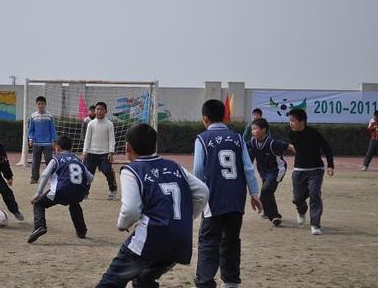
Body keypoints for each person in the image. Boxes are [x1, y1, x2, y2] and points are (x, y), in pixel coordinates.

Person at [96, 123, 209, 288]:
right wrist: (184, 219)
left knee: (110, 282)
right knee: (144, 279)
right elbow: (202, 191)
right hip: (180, 241)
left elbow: (130, 209)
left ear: (127, 147)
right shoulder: (175, 166)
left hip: (151, 239)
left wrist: (122, 224)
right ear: (155, 146)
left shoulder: (132, 170)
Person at [193, 99, 262, 288]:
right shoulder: (237, 138)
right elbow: (248, 168)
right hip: (236, 200)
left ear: (205, 118)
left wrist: (196, 197)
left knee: (208, 241)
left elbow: (199, 170)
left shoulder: (202, 139)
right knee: (231, 240)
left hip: (213, 199)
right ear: (223, 116)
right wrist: (254, 193)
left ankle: (205, 281)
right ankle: (231, 281)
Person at [27, 135, 93, 243]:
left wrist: (38, 193)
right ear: (71, 148)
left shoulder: (56, 160)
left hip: (61, 191)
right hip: (79, 192)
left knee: (39, 204)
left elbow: (44, 175)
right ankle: (81, 231)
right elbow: (90, 178)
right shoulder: (78, 160)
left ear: (57, 148)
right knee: (74, 204)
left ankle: (40, 226)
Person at [288, 109, 334, 235]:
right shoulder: (291, 134)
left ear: (302, 121)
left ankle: (315, 224)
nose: (290, 123)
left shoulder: (314, 133)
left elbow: (327, 148)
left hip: (316, 170)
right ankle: (301, 210)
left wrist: (330, 165)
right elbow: (297, 149)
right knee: (298, 198)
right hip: (299, 170)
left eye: (293, 121)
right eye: (289, 121)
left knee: (314, 194)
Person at [248, 118, 294, 227]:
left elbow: (289, 146)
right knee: (268, 192)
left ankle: (274, 216)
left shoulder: (272, 143)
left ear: (263, 130)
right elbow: (241, 146)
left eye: (255, 129)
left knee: (266, 190)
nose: (252, 132)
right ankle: (273, 214)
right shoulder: (253, 141)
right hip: (264, 172)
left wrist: (302, 156)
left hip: (277, 171)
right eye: (252, 130)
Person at [83, 102, 117, 200]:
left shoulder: (109, 124)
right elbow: (87, 138)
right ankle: (85, 193)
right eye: (97, 109)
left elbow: (111, 139)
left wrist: (111, 152)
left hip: (105, 154)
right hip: (91, 153)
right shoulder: (91, 124)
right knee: (88, 174)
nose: (98, 111)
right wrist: (85, 151)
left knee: (107, 171)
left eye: (101, 109)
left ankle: (112, 190)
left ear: (105, 111)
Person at [28, 96, 57, 184]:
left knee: (49, 161)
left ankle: (51, 177)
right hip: (36, 143)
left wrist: (53, 140)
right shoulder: (33, 116)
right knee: (35, 161)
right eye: (39, 104)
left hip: (47, 143)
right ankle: (34, 178)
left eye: (42, 104)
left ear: (45, 105)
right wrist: (30, 139)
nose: (41, 105)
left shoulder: (49, 116)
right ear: (36, 105)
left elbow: (52, 129)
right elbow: (31, 130)